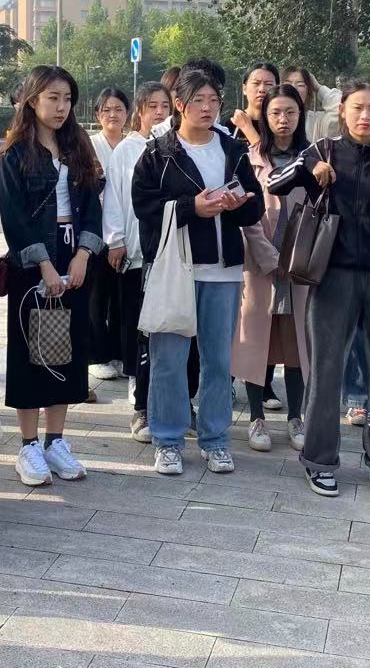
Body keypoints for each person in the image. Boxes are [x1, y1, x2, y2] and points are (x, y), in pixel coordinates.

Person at [269, 80, 370, 500]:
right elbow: (275, 183)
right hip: (333, 276)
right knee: (326, 369)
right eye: (357, 108)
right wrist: (308, 168)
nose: (365, 116)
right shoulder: (323, 150)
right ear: (342, 110)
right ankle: (319, 460)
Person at [131, 69, 264, 477]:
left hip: (223, 272)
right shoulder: (158, 153)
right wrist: (193, 208)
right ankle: (168, 440)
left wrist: (238, 203)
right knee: (169, 360)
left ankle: (215, 439)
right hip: (177, 270)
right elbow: (144, 207)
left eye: (214, 101)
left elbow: (255, 207)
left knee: (218, 361)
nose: (207, 108)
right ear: (180, 105)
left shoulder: (232, 149)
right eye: (198, 101)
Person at [0, 66, 103, 486]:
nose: (61, 107)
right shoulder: (15, 155)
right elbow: (14, 218)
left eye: (67, 99)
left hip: (73, 254)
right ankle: (27, 446)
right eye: (53, 98)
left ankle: (56, 440)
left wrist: (83, 255)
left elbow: (92, 205)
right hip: (31, 262)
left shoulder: (77, 147)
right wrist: (43, 264)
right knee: (30, 351)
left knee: (67, 350)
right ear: (31, 101)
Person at [233, 84, 310, 453]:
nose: (283, 119)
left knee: (297, 341)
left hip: (300, 266)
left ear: (300, 116)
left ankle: (296, 416)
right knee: (255, 340)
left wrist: (296, 259)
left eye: (290, 112)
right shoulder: (249, 158)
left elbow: (321, 212)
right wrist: (269, 257)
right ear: (264, 117)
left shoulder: (313, 158)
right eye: (276, 112)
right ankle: (256, 417)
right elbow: (246, 214)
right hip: (259, 264)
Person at [104, 81, 174, 442]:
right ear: (140, 111)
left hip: (170, 253)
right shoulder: (127, 150)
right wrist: (115, 240)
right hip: (135, 253)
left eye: (165, 106)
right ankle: (137, 385)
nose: (159, 113)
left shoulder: (176, 147)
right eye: (152, 106)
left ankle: (169, 394)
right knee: (135, 322)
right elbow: (114, 199)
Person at [88, 88, 131, 380]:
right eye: (106, 110)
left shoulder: (133, 146)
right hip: (96, 232)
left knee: (121, 296)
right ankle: (96, 355)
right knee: (96, 295)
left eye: (118, 109)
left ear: (128, 113)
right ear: (97, 115)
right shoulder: (89, 145)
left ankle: (118, 351)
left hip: (127, 232)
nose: (113, 114)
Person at [283, 66, 342, 141]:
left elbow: (342, 108)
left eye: (300, 85)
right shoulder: (270, 119)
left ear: (308, 93)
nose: (293, 88)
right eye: (287, 84)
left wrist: (318, 87)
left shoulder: (317, 123)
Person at [229, 62, 279, 147]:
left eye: (269, 84)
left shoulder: (281, 123)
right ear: (244, 89)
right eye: (256, 83)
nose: (262, 89)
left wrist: (247, 128)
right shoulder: (232, 122)